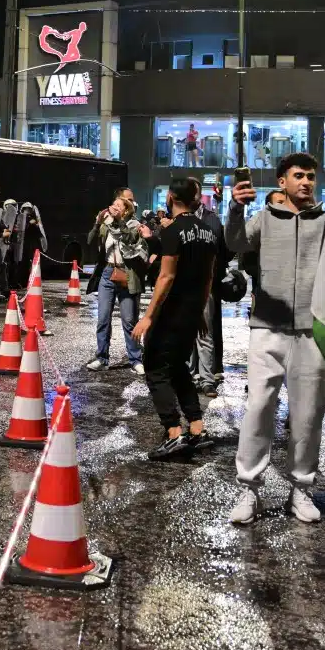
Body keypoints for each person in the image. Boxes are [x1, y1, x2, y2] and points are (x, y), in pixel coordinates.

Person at [225, 152, 325, 524]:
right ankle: (249, 489)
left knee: (308, 415)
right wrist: (235, 207)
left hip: (312, 333)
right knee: (258, 409)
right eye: (299, 176)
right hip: (267, 328)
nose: (306, 182)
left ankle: (301, 489)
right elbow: (235, 242)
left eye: (311, 176)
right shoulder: (264, 219)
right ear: (282, 182)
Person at [133, 177, 219, 460]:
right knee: (179, 366)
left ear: (170, 197)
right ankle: (196, 427)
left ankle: (173, 432)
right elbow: (208, 277)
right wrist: (201, 312)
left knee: (155, 367)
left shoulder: (173, 231)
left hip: (172, 311)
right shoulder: (208, 232)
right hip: (193, 311)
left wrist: (148, 317)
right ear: (195, 199)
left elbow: (166, 277)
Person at [84, 189, 150, 375]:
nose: (113, 208)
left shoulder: (134, 225)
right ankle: (101, 358)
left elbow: (128, 238)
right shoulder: (106, 224)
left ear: (126, 210)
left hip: (126, 274)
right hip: (107, 273)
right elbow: (89, 240)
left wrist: (119, 221)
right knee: (103, 318)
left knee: (129, 321)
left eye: (118, 206)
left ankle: (135, 359)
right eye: (113, 205)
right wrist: (98, 223)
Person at [191, 184, 232, 394]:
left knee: (205, 333)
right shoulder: (177, 219)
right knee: (185, 334)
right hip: (182, 286)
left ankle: (207, 378)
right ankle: (189, 376)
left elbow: (223, 250)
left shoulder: (212, 220)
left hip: (205, 284)